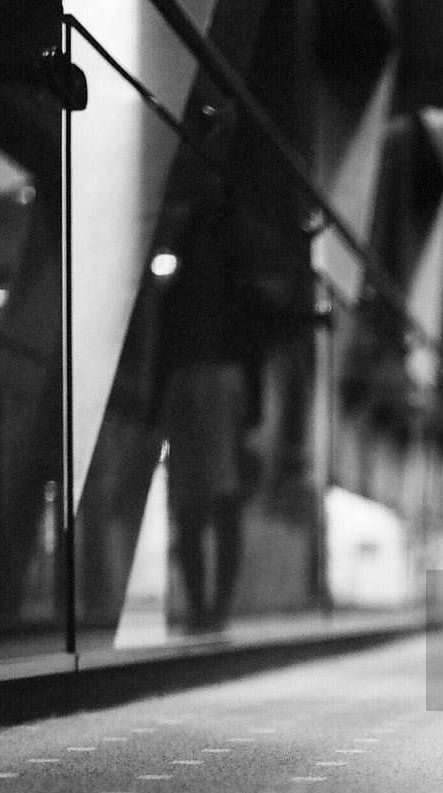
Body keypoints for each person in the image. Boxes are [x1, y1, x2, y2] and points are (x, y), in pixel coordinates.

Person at [151, 106, 261, 632]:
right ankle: (209, 608)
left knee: (198, 504)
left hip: (204, 378)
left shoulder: (197, 258)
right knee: (215, 504)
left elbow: (168, 336)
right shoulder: (233, 264)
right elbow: (251, 332)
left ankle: (206, 608)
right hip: (218, 378)